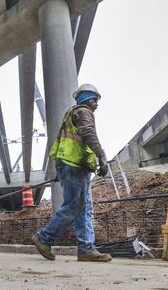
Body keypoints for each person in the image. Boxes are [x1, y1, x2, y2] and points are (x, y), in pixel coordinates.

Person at [31, 84, 111, 262]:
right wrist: (102, 156)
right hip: (74, 164)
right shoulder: (83, 111)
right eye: (94, 100)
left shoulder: (72, 114)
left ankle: (86, 249)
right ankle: (44, 237)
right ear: (86, 100)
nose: (97, 104)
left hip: (74, 165)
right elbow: (88, 133)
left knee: (84, 208)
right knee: (75, 205)